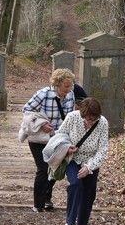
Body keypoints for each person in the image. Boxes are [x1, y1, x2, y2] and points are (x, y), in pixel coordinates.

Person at [19, 69, 83, 212]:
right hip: (39, 138)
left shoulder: (71, 95)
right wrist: (42, 124)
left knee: (54, 168)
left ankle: (47, 198)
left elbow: (70, 116)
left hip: (58, 138)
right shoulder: (44, 94)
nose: (69, 89)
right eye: (66, 86)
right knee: (42, 168)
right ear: (57, 84)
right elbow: (27, 110)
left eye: (70, 85)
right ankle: (38, 204)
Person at [56, 97, 109, 225]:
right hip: (72, 158)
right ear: (82, 114)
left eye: (93, 119)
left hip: (91, 161)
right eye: (87, 119)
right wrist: (67, 148)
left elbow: (102, 149)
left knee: (88, 194)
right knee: (75, 185)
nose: (90, 122)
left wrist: (89, 167)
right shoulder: (72, 117)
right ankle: (69, 223)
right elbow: (59, 135)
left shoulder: (102, 123)